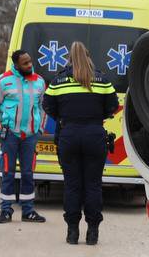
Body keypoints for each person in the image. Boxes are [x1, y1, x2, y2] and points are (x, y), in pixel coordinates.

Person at [42, 43, 118, 245]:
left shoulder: (58, 81)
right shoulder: (101, 79)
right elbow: (113, 105)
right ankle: (93, 232)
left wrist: (63, 117)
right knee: (93, 185)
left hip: (69, 134)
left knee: (72, 185)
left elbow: (47, 104)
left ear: (69, 58)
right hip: (94, 134)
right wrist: (98, 116)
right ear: (88, 56)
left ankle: (72, 232)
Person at [0, 49, 48, 224]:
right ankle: (5, 211)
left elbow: (44, 107)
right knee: (8, 172)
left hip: (30, 136)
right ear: (16, 65)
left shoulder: (39, 82)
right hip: (10, 135)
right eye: (25, 63)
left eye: (30, 61)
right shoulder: (2, 81)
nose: (30, 65)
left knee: (28, 173)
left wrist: (39, 129)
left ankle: (28, 211)